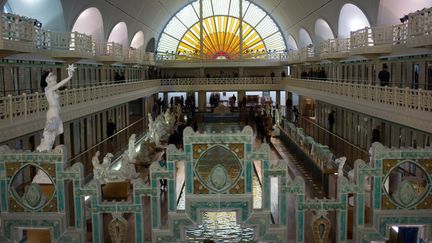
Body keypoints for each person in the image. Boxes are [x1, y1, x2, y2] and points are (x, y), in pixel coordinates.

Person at [36, 65, 76, 152]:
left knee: (52, 132)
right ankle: (46, 147)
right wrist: (69, 77)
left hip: (54, 112)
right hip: (53, 112)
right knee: (51, 132)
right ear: (49, 81)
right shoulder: (49, 90)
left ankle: (47, 147)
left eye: (55, 80)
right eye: (54, 81)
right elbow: (60, 84)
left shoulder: (50, 90)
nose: (55, 82)